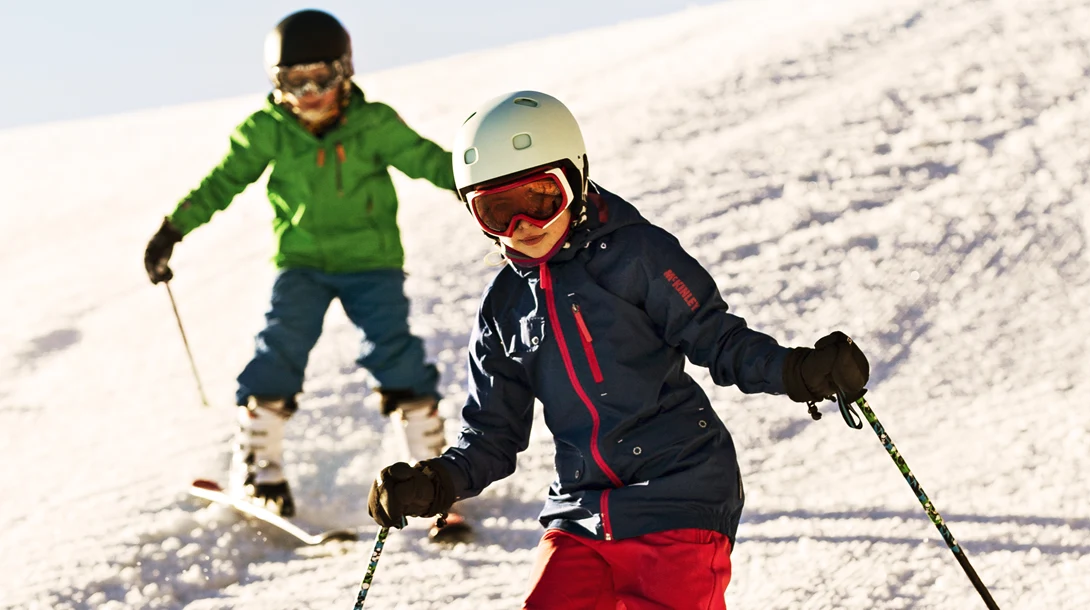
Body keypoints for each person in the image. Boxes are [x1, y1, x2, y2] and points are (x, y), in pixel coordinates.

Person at [365, 90, 870, 607]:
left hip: (681, 491)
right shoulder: (504, 308)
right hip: (582, 512)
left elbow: (716, 337)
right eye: (497, 212)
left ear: (577, 181)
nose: (523, 228)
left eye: (541, 200)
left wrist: (797, 370)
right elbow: (493, 435)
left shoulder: (635, 255)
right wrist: (436, 481)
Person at [143, 9, 468, 539]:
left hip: (372, 264)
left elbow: (430, 162)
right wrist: (172, 230)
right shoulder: (266, 132)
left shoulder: (375, 124)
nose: (310, 91)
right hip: (301, 265)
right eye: (295, 80)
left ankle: (432, 480)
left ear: (345, 72)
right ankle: (260, 474)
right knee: (279, 349)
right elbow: (221, 183)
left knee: (396, 353)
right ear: (277, 83)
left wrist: (485, 195)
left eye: (321, 76)